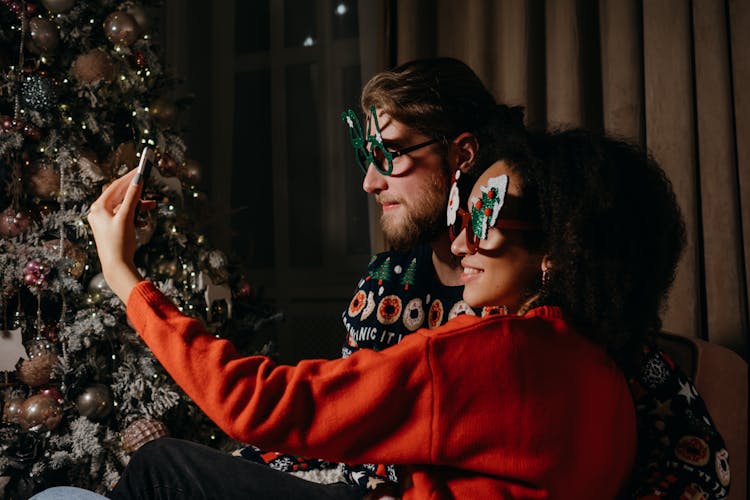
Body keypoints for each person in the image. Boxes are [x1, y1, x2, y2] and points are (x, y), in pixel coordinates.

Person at [41, 125, 660, 499]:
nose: (464, 240)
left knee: (157, 467)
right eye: (460, 215)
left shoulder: (495, 348)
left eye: (487, 220)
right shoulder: (604, 365)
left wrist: (124, 277)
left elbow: (258, 403)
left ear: (558, 250)